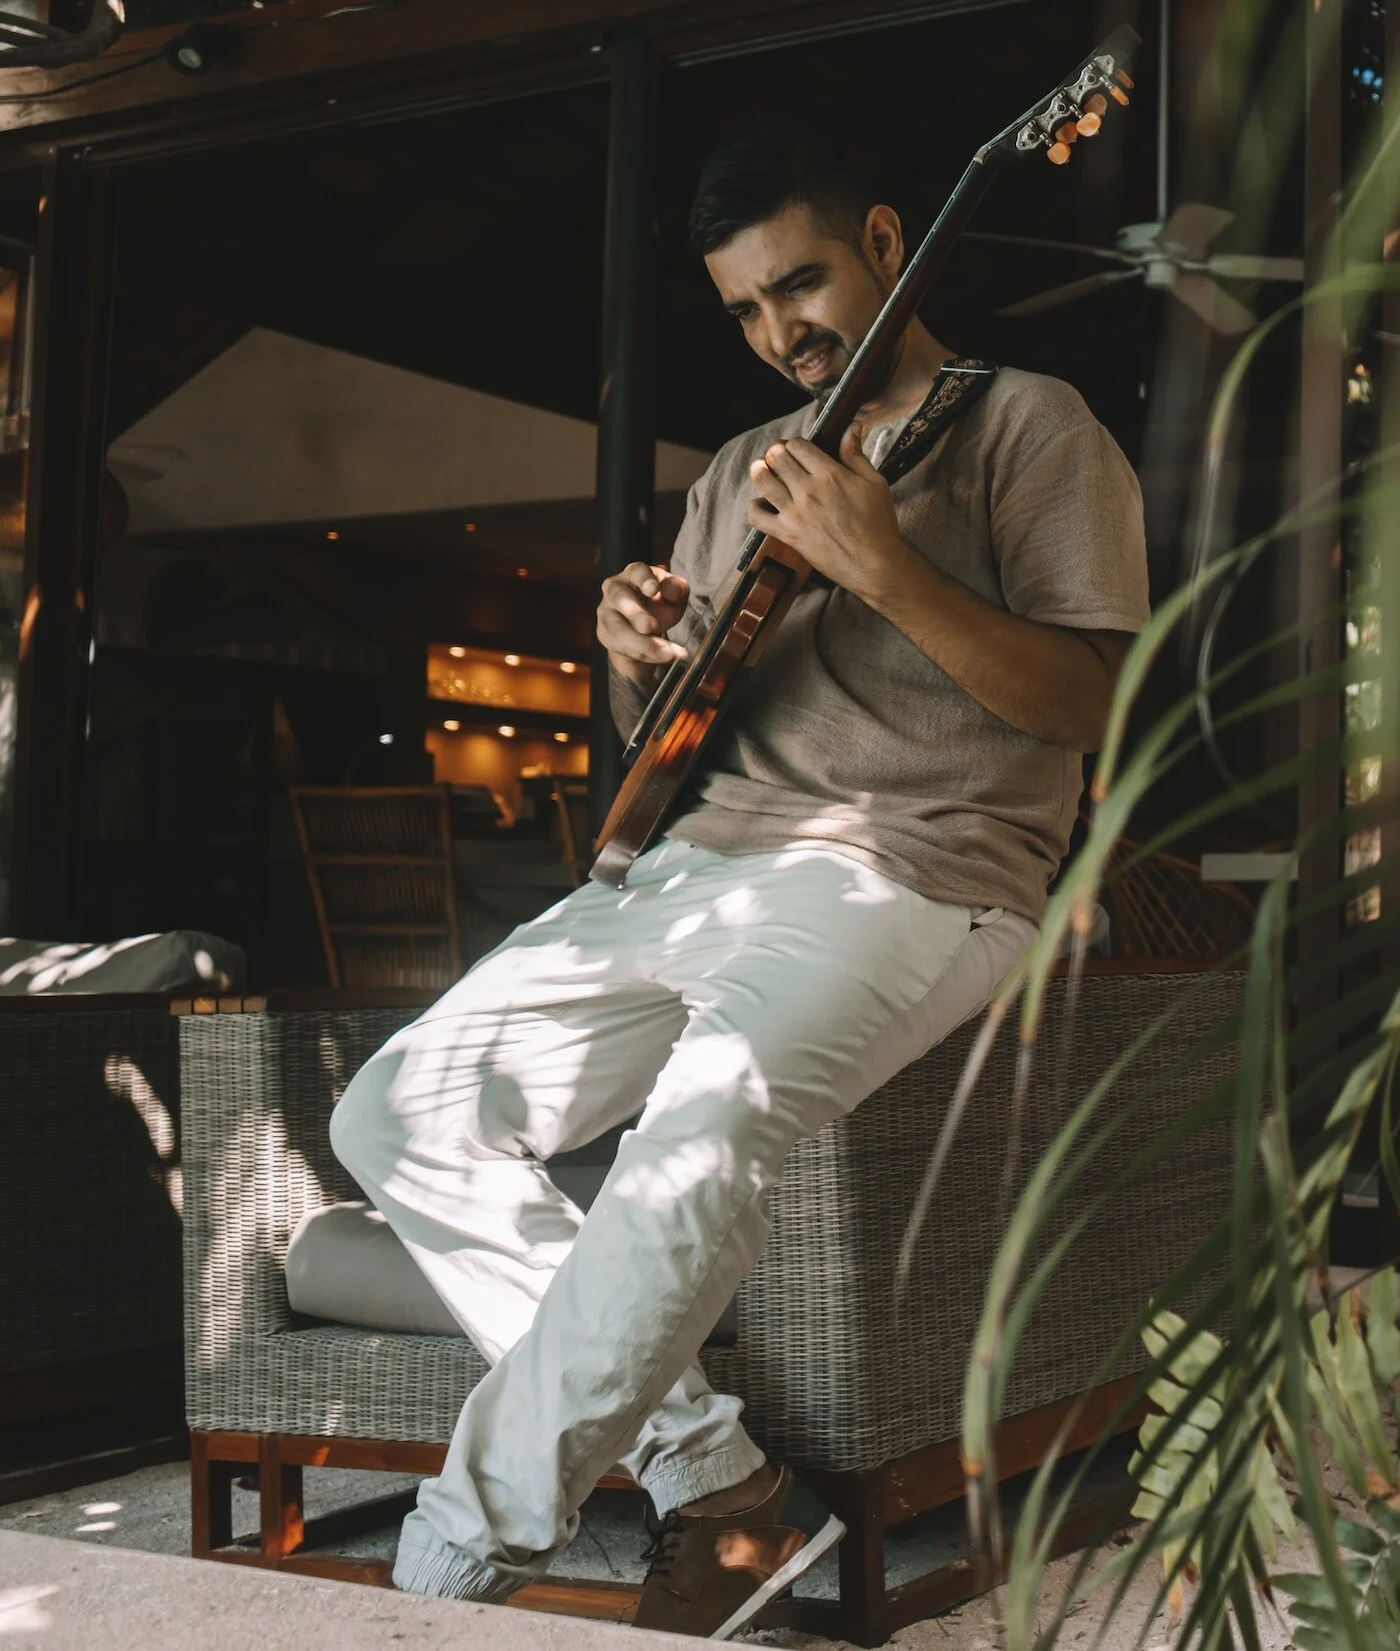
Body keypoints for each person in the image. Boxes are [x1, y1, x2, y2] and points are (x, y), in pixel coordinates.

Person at [328, 126, 1148, 1635]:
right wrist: (639, 653)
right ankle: (712, 1483)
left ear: (891, 239)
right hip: (695, 868)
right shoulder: (735, 478)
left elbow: (1093, 708)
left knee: (707, 1115)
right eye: (748, 314)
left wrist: (890, 566)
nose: (783, 335)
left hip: (918, 870)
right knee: (393, 1109)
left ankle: (456, 1551)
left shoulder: (1037, 428)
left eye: (803, 284)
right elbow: (695, 730)